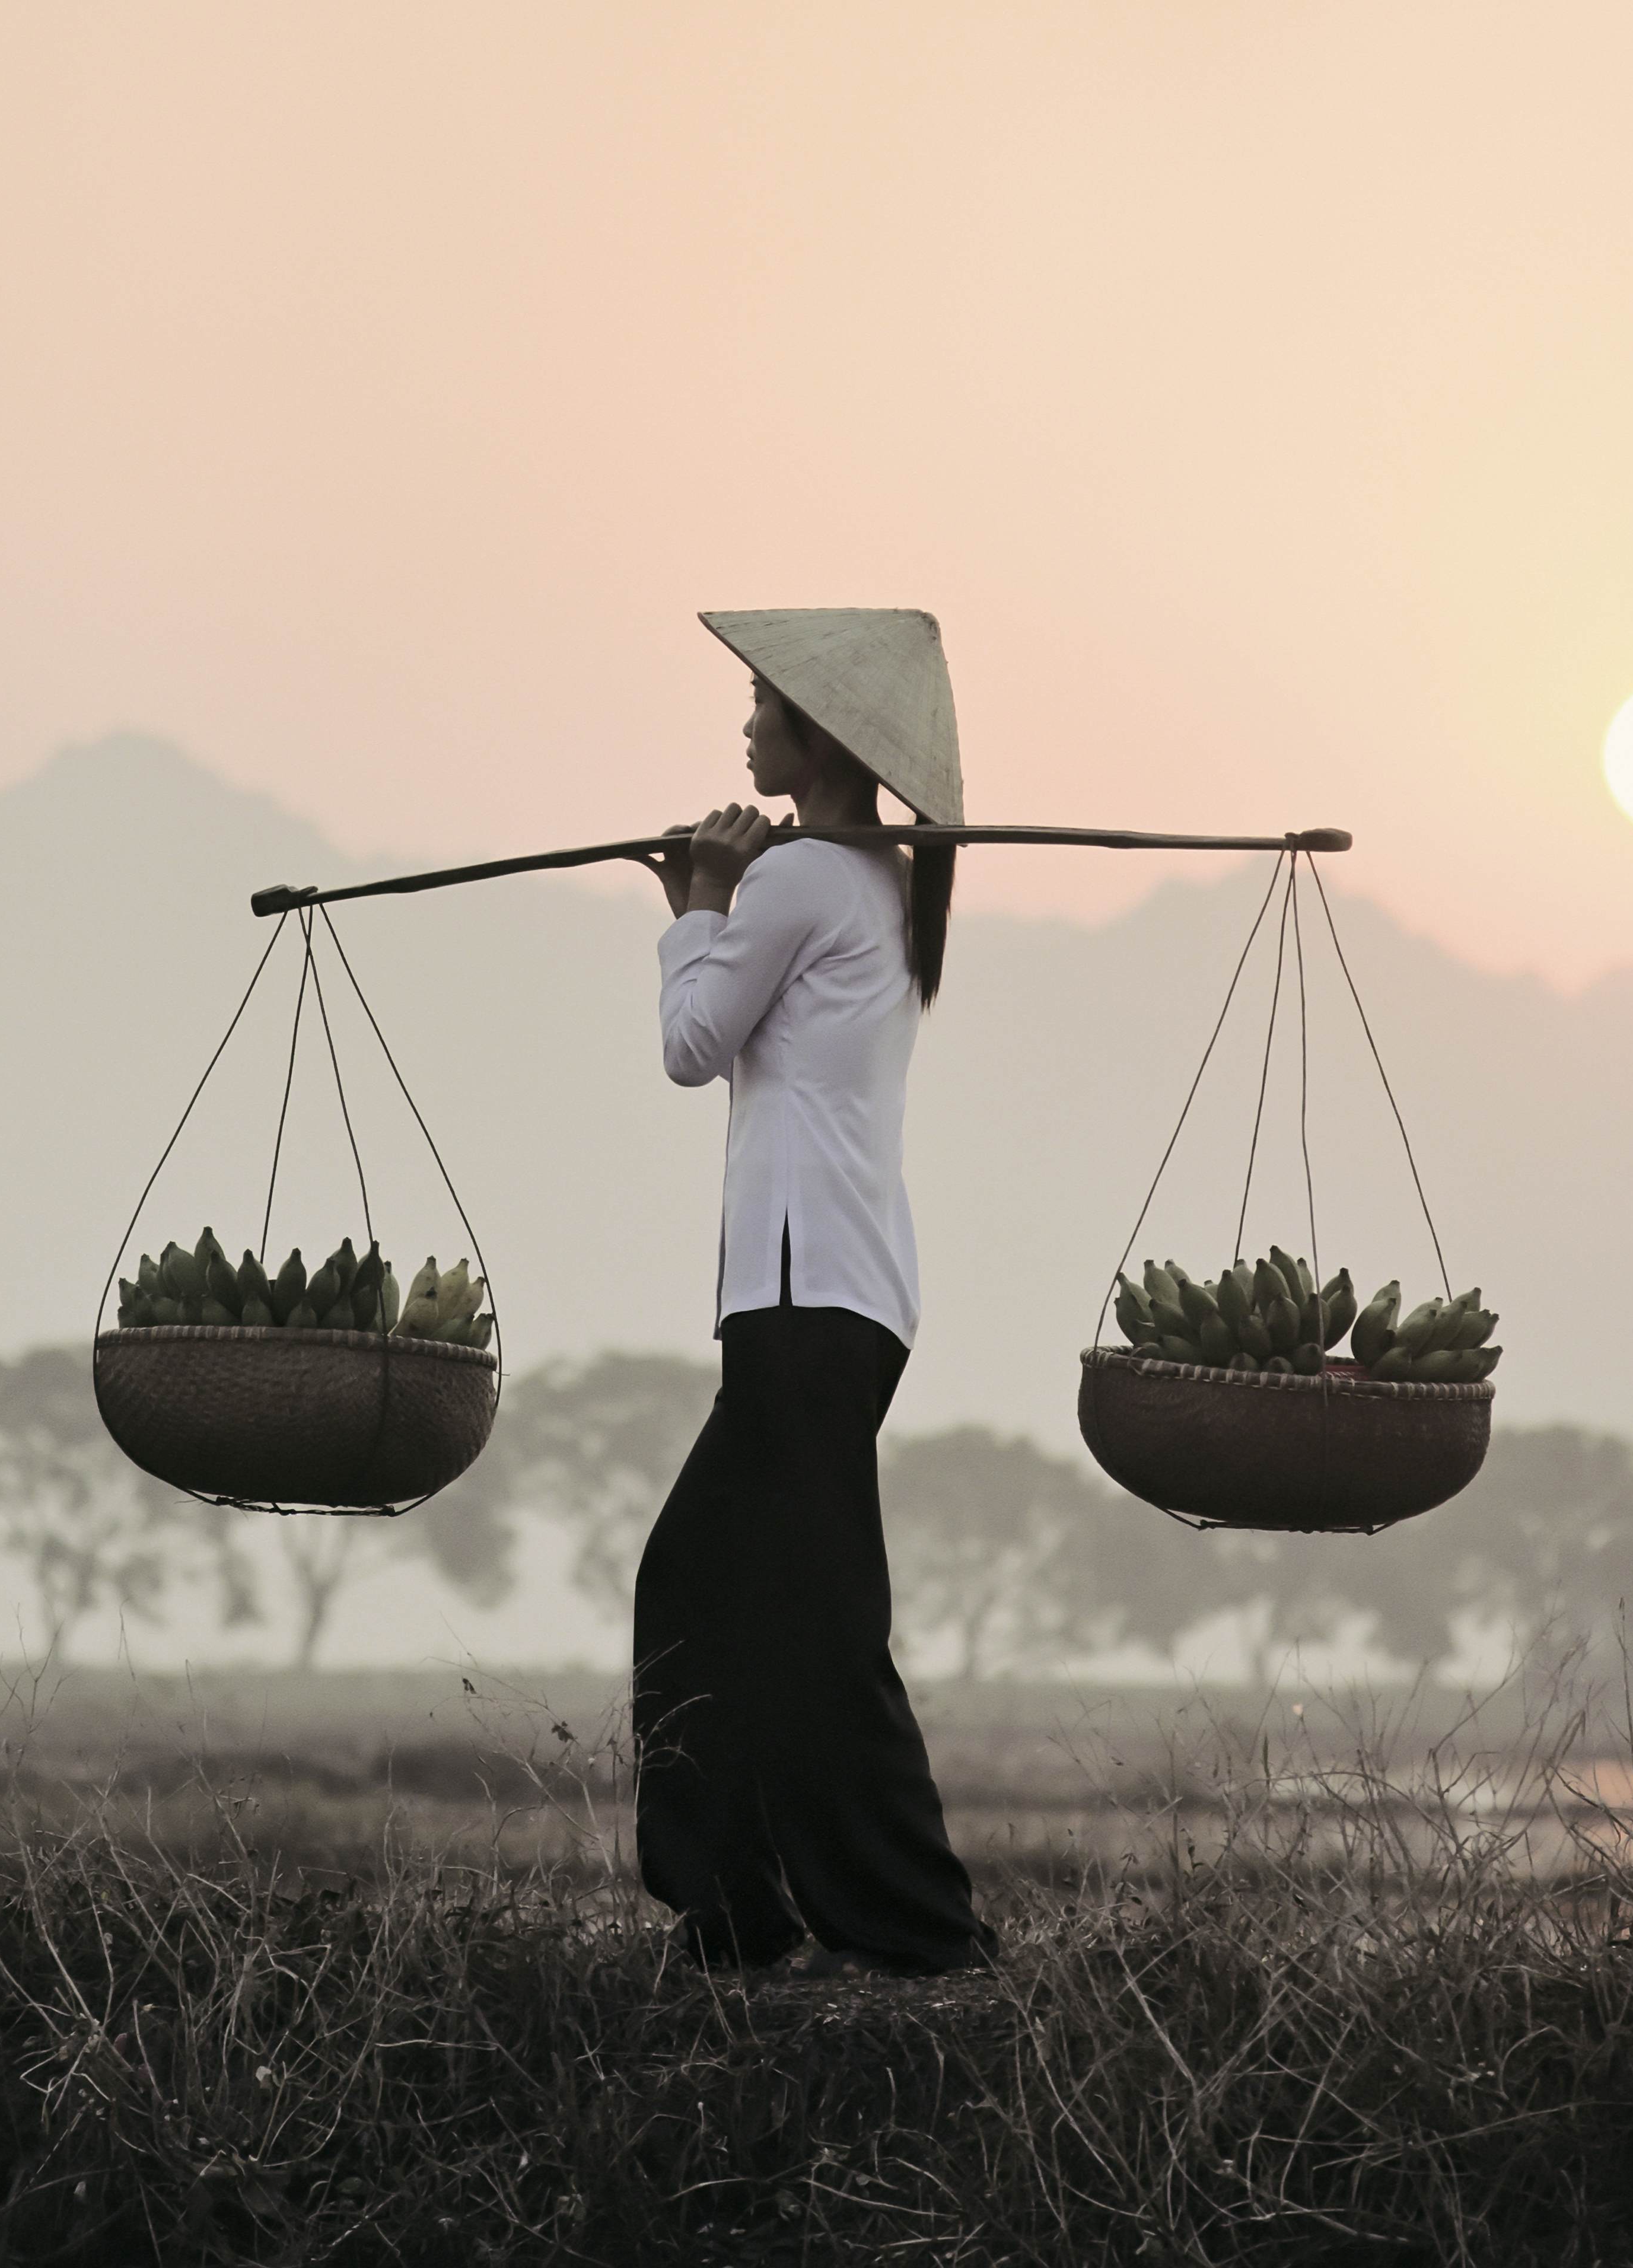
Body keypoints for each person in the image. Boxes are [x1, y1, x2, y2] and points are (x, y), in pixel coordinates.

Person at [632, 607, 995, 1979]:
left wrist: (704, 908)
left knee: (800, 1620)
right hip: (847, 1292)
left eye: (757, 704)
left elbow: (687, 1049)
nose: (742, 726)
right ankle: (743, 1910)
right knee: (729, 1599)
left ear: (814, 734)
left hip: (801, 1297)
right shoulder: (881, 880)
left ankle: (909, 1923)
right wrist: (710, 904)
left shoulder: (798, 883)